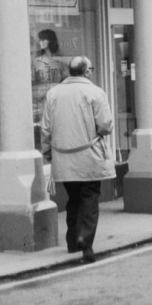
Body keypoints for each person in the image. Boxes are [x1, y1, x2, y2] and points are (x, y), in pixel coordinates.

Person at [41, 55, 114, 264]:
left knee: (73, 198)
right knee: (89, 197)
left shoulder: (53, 93)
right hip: (89, 156)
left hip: (62, 158)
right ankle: (86, 242)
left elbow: (45, 129)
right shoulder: (95, 92)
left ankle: (72, 241)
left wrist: (48, 153)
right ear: (87, 71)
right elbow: (106, 125)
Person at [32, 28, 64, 125]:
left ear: (49, 41)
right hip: (42, 101)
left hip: (58, 101)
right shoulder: (37, 61)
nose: (40, 42)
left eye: (43, 39)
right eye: (40, 39)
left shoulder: (59, 61)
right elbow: (33, 82)